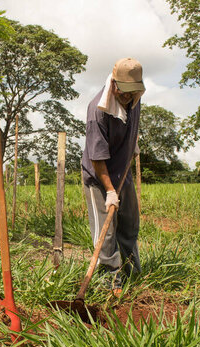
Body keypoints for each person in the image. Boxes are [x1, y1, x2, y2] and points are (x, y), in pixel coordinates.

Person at [81, 57, 145, 296]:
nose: (128, 97)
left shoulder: (134, 98)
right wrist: (109, 190)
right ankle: (110, 281)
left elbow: (132, 124)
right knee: (105, 233)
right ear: (114, 83)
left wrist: (132, 144)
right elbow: (97, 158)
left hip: (123, 170)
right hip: (100, 176)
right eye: (124, 92)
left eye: (133, 92)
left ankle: (132, 274)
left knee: (129, 225)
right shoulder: (97, 111)